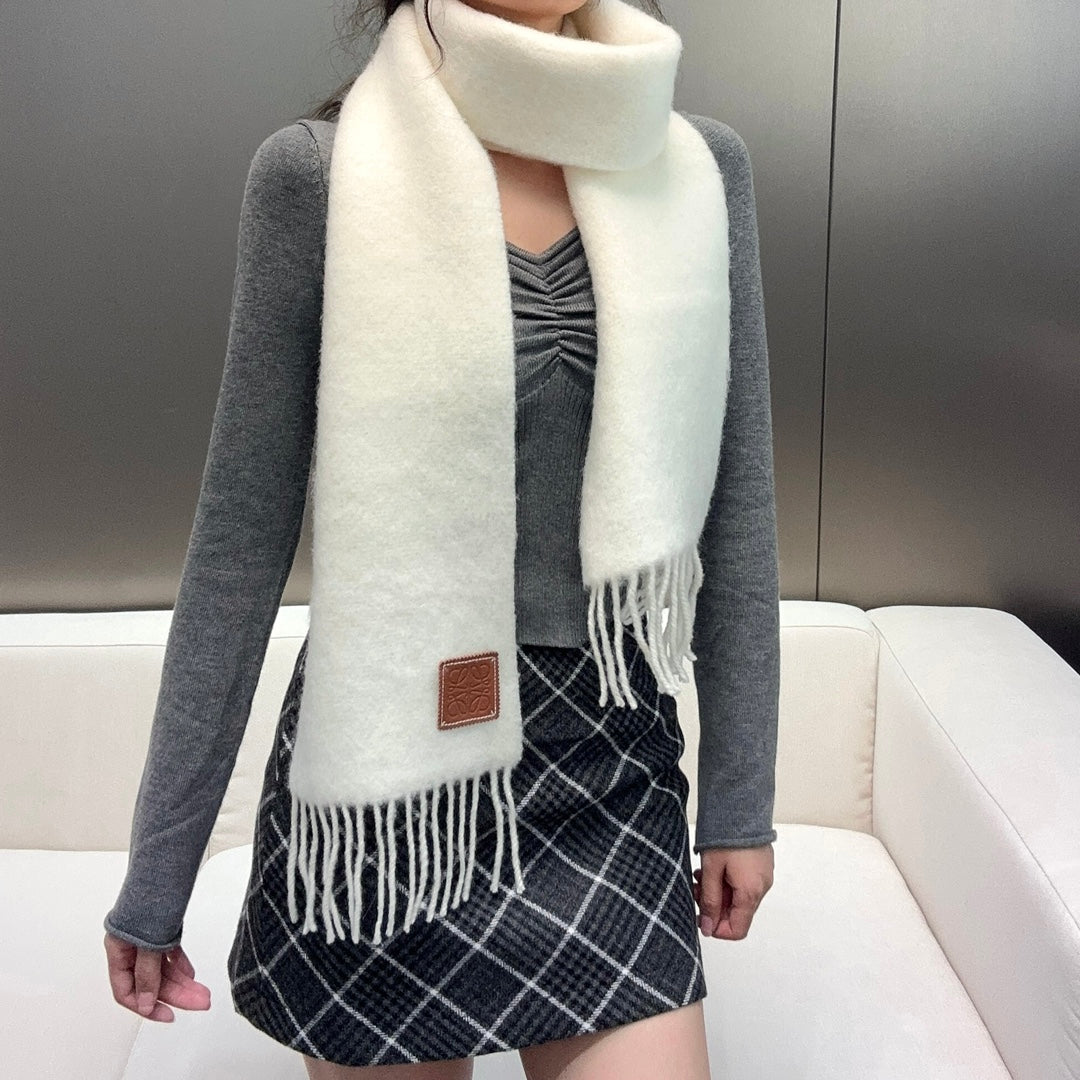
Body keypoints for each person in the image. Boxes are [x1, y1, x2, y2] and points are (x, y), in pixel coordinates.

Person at [103, 1, 780, 1077]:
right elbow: (238, 540)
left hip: (609, 767)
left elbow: (736, 507)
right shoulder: (318, 177)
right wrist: (158, 871)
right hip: (386, 785)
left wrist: (741, 802)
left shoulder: (695, 172)